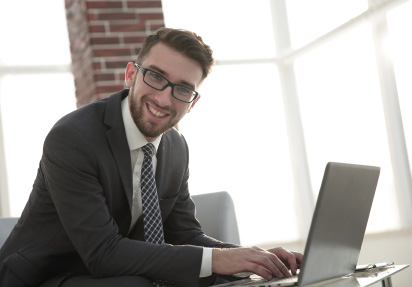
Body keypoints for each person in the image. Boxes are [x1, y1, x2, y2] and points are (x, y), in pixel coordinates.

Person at [0, 27, 302, 287]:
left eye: (183, 89)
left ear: (192, 103)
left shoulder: (175, 147)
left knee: (218, 277)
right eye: (156, 77)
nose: (163, 98)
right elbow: (103, 252)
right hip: (44, 276)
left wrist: (252, 258)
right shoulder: (73, 138)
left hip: (110, 274)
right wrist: (220, 260)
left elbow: (185, 234)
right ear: (131, 74)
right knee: (143, 284)